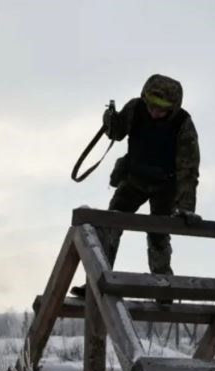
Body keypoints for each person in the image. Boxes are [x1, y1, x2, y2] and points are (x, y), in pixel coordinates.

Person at [71, 74, 201, 300]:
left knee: (158, 235)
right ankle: (97, 279)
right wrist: (110, 119)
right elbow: (117, 132)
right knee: (110, 224)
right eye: (151, 106)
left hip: (166, 185)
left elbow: (188, 170)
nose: (154, 112)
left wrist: (186, 207)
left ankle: (163, 287)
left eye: (161, 109)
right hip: (135, 179)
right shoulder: (135, 109)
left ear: (173, 107)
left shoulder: (183, 125)